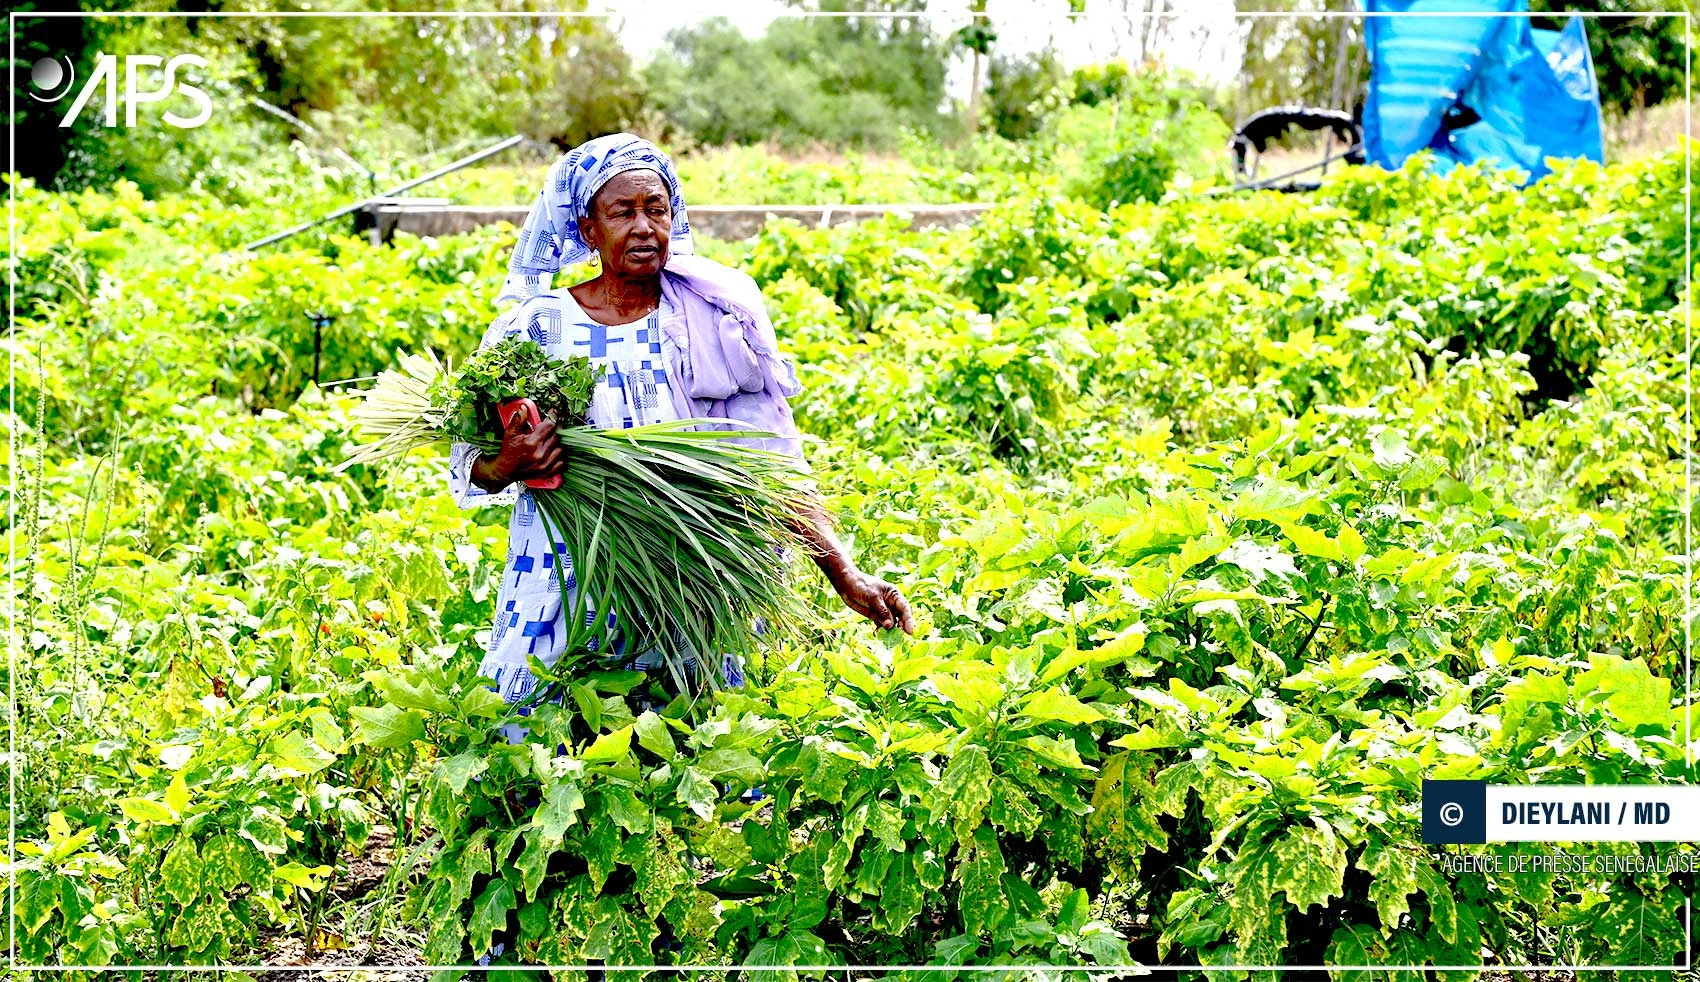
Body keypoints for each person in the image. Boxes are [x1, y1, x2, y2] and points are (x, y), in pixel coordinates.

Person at [447, 132, 915, 736]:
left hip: (691, 569)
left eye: (656, 209)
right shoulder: (536, 327)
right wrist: (507, 462)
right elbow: (470, 464)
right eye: (622, 212)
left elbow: (769, 460)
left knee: (692, 746)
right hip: (565, 570)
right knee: (536, 744)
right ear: (588, 229)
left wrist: (843, 571)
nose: (644, 227)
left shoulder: (713, 318)